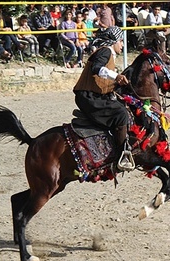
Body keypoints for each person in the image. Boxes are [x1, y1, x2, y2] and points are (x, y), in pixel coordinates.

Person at [73, 26, 133, 172]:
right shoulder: (105, 51)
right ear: (114, 41)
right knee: (121, 114)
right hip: (88, 97)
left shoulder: (107, 54)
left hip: (92, 96)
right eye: (121, 41)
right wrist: (116, 76)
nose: (123, 45)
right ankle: (121, 155)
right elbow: (97, 69)